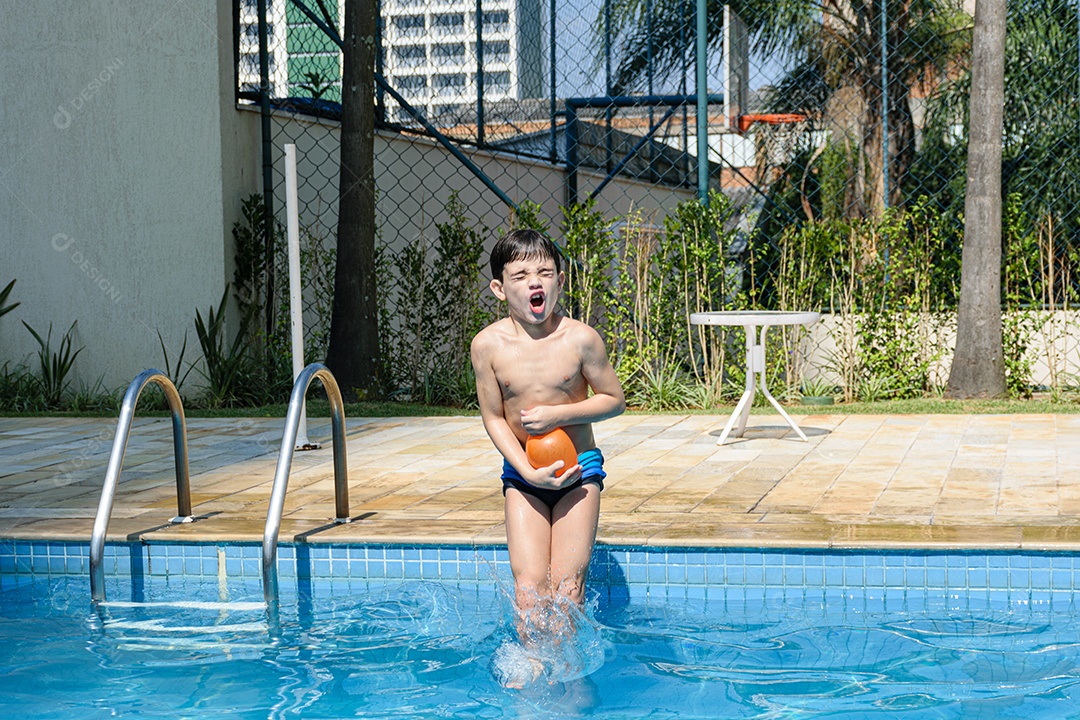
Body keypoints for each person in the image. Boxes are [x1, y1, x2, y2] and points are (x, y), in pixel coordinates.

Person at [471, 229, 626, 626]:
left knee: (568, 588)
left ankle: (567, 663)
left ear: (560, 280)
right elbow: (493, 417)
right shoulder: (487, 346)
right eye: (520, 275)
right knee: (529, 589)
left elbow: (614, 400)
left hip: (578, 471)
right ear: (499, 288)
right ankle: (532, 660)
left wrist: (558, 416)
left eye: (544, 273)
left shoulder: (580, 339)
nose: (534, 282)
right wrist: (526, 470)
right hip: (524, 475)